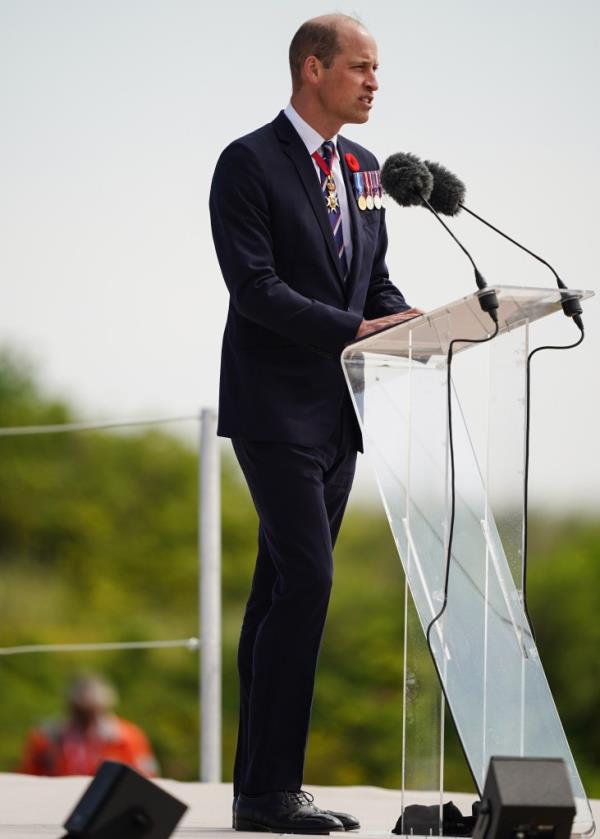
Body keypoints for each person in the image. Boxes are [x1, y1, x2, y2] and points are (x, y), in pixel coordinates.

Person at [210, 13, 420, 834]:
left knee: (276, 592)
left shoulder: (366, 168)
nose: (374, 83)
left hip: (342, 412)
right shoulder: (248, 162)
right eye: (361, 68)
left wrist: (413, 321)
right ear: (312, 68)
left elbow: (375, 284)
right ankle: (272, 789)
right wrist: (354, 329)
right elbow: (254, 288)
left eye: (378, 70)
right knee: (310, 579)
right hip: (272, 409)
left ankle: (257, 791)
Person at [19, 673, 158, 777]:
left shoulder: (129, 737)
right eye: (81, 711)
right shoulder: (46, 736)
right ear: (71, 706)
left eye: (93, 711)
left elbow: (147, 776)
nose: (88, 719)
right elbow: (30, 776)